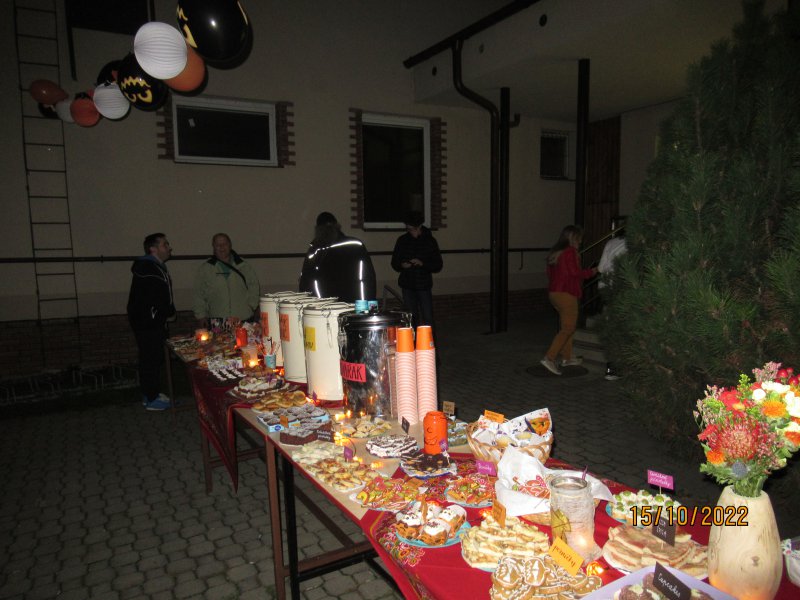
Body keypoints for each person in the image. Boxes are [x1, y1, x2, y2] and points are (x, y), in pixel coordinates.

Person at [127, 233, 176, 411]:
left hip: (152, 321)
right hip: (148, 323)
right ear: (153, 249)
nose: (169, 247)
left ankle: (152, 393)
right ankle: (151, 398)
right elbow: (156, 297)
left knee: (154, 358)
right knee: (150, 358)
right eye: (164, 244)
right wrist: (168, 313)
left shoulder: (154, 267)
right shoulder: (149, 269)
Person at [540, 225, 597, 376]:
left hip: (555, 293)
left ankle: (567, 357)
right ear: (574, 238)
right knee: (568, 328)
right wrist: (593, 271)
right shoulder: (570, 251)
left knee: (567, 326)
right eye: (579, 238)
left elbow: (550, 273)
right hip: (567, 293)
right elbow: (575, 272)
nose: (581, 241)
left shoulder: (555, 252)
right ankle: (549, 358)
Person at [298, 212, 376, 302]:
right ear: (337, 226)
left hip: (326, 304)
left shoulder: (316, 250)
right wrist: (367, 302)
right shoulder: (355, 245)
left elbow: (306, 280)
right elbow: (367, 277)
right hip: (352, 301)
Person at [193, 233, 260, 328]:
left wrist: (252, 305)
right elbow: (198, 294)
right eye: (218, 245)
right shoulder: (206, 269)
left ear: (230, 245)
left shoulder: (243, 266)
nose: (221, 247)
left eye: (224, 244)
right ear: (213, 247)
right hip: (217, 320)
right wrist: (200, 315)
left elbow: (253, 286)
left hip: (243, 318)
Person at [391, 211, 443, 330]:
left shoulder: (430, 241)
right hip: (407, 285)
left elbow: (438, 265)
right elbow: (394, 263)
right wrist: (402, 265)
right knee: (411, 318)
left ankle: (430, 340)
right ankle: (412, 340)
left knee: (428, 317)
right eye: (408, 229)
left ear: (419, 226)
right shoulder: (402, 240)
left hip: (423, 285)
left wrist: (422, 264)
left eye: (412, 229)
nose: (410, 231)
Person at [597, 216, 628, 380]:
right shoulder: (632, 245)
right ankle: (617, 367)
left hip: (606, 287)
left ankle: (611, 366)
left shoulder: (611, 243)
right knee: (621, 328)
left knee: (611, 326)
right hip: (621, 289)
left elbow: (601, 268)